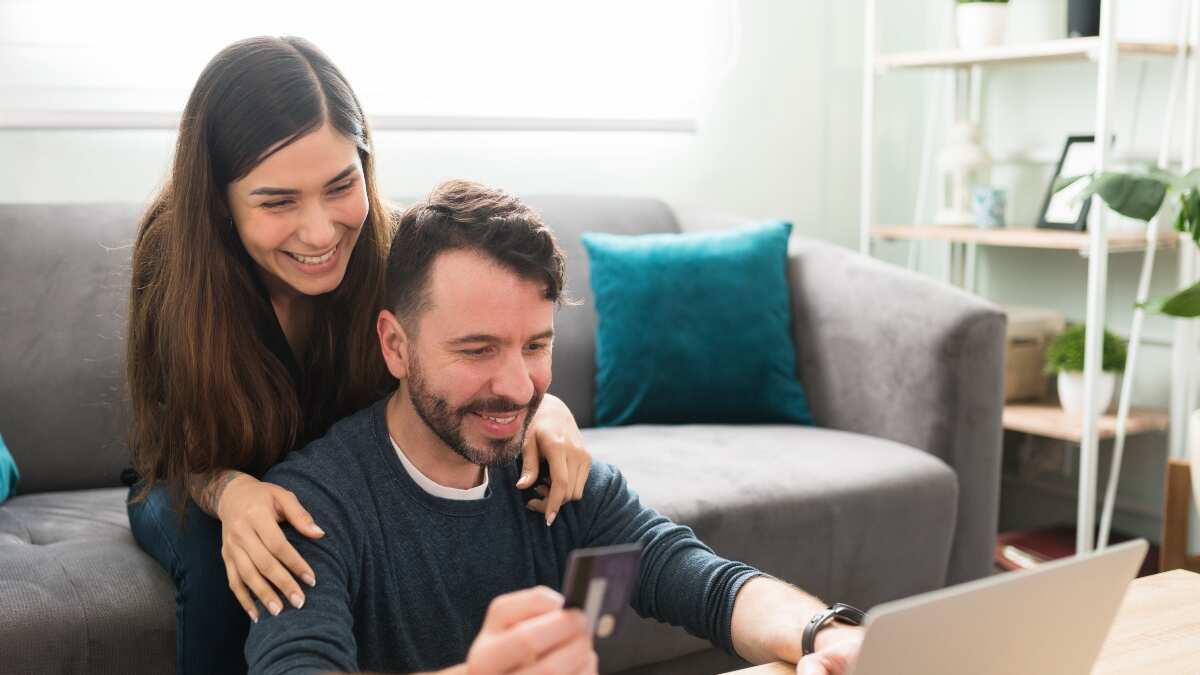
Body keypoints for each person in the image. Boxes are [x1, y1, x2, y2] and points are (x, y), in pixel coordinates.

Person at [245, 180, 865, 675]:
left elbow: (695, 578)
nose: (518, 388)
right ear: (396, 346)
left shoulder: (554, 474)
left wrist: (824, 634)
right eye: (478, 350)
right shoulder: (314, 501)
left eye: (535, 345)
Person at [124, 37, 594, 675]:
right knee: (232, 561)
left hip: (330, 480)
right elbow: (173, 442)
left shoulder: (392, 248)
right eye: (277, 201)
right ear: (221, 202)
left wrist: (544, 408)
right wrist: (232, 494)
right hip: (197, 467)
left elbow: (464, 363)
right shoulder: (172, 257)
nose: (320, 232)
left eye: (340, 186)